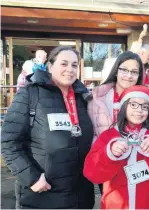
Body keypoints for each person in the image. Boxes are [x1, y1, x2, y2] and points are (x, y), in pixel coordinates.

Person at [1, 46, 95, 209]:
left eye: (74, 65)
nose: (69, 70)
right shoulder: (30, 94)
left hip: (80, 196)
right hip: (43, 194)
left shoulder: (83, 98)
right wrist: (32, 178)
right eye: (64, 64)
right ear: (50, 66)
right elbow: (9, 142)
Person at [84, 85, 149, 209]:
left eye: (145, 107)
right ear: (124, 107)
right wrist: (109, 153)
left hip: (148, 203)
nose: (139, 110)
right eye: (133, 105)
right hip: (115, 204)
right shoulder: (109, 136)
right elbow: (92, 173)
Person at [88, 51, 143, 143]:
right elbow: (91, 134)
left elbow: (148, 132)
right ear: (116, 71)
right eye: (124, 70)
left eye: (134, 72)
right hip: (103, 153)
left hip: (134, 154)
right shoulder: (97, 97)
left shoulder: (145, 100)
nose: (129, 76)